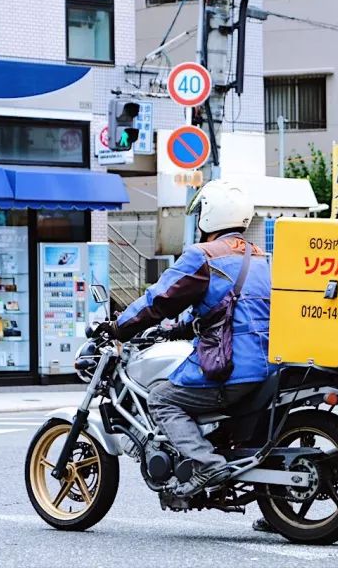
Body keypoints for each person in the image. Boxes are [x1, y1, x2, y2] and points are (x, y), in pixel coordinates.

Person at [108, 180, 272, 497]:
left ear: (208, 216)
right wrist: (178, 328)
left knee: (162, 398)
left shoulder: (203, 256)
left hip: (232, 368)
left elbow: (159, 300)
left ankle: (207, 464)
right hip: (267, 364)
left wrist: (119, 327)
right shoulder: (259, 257)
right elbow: (224, 309)